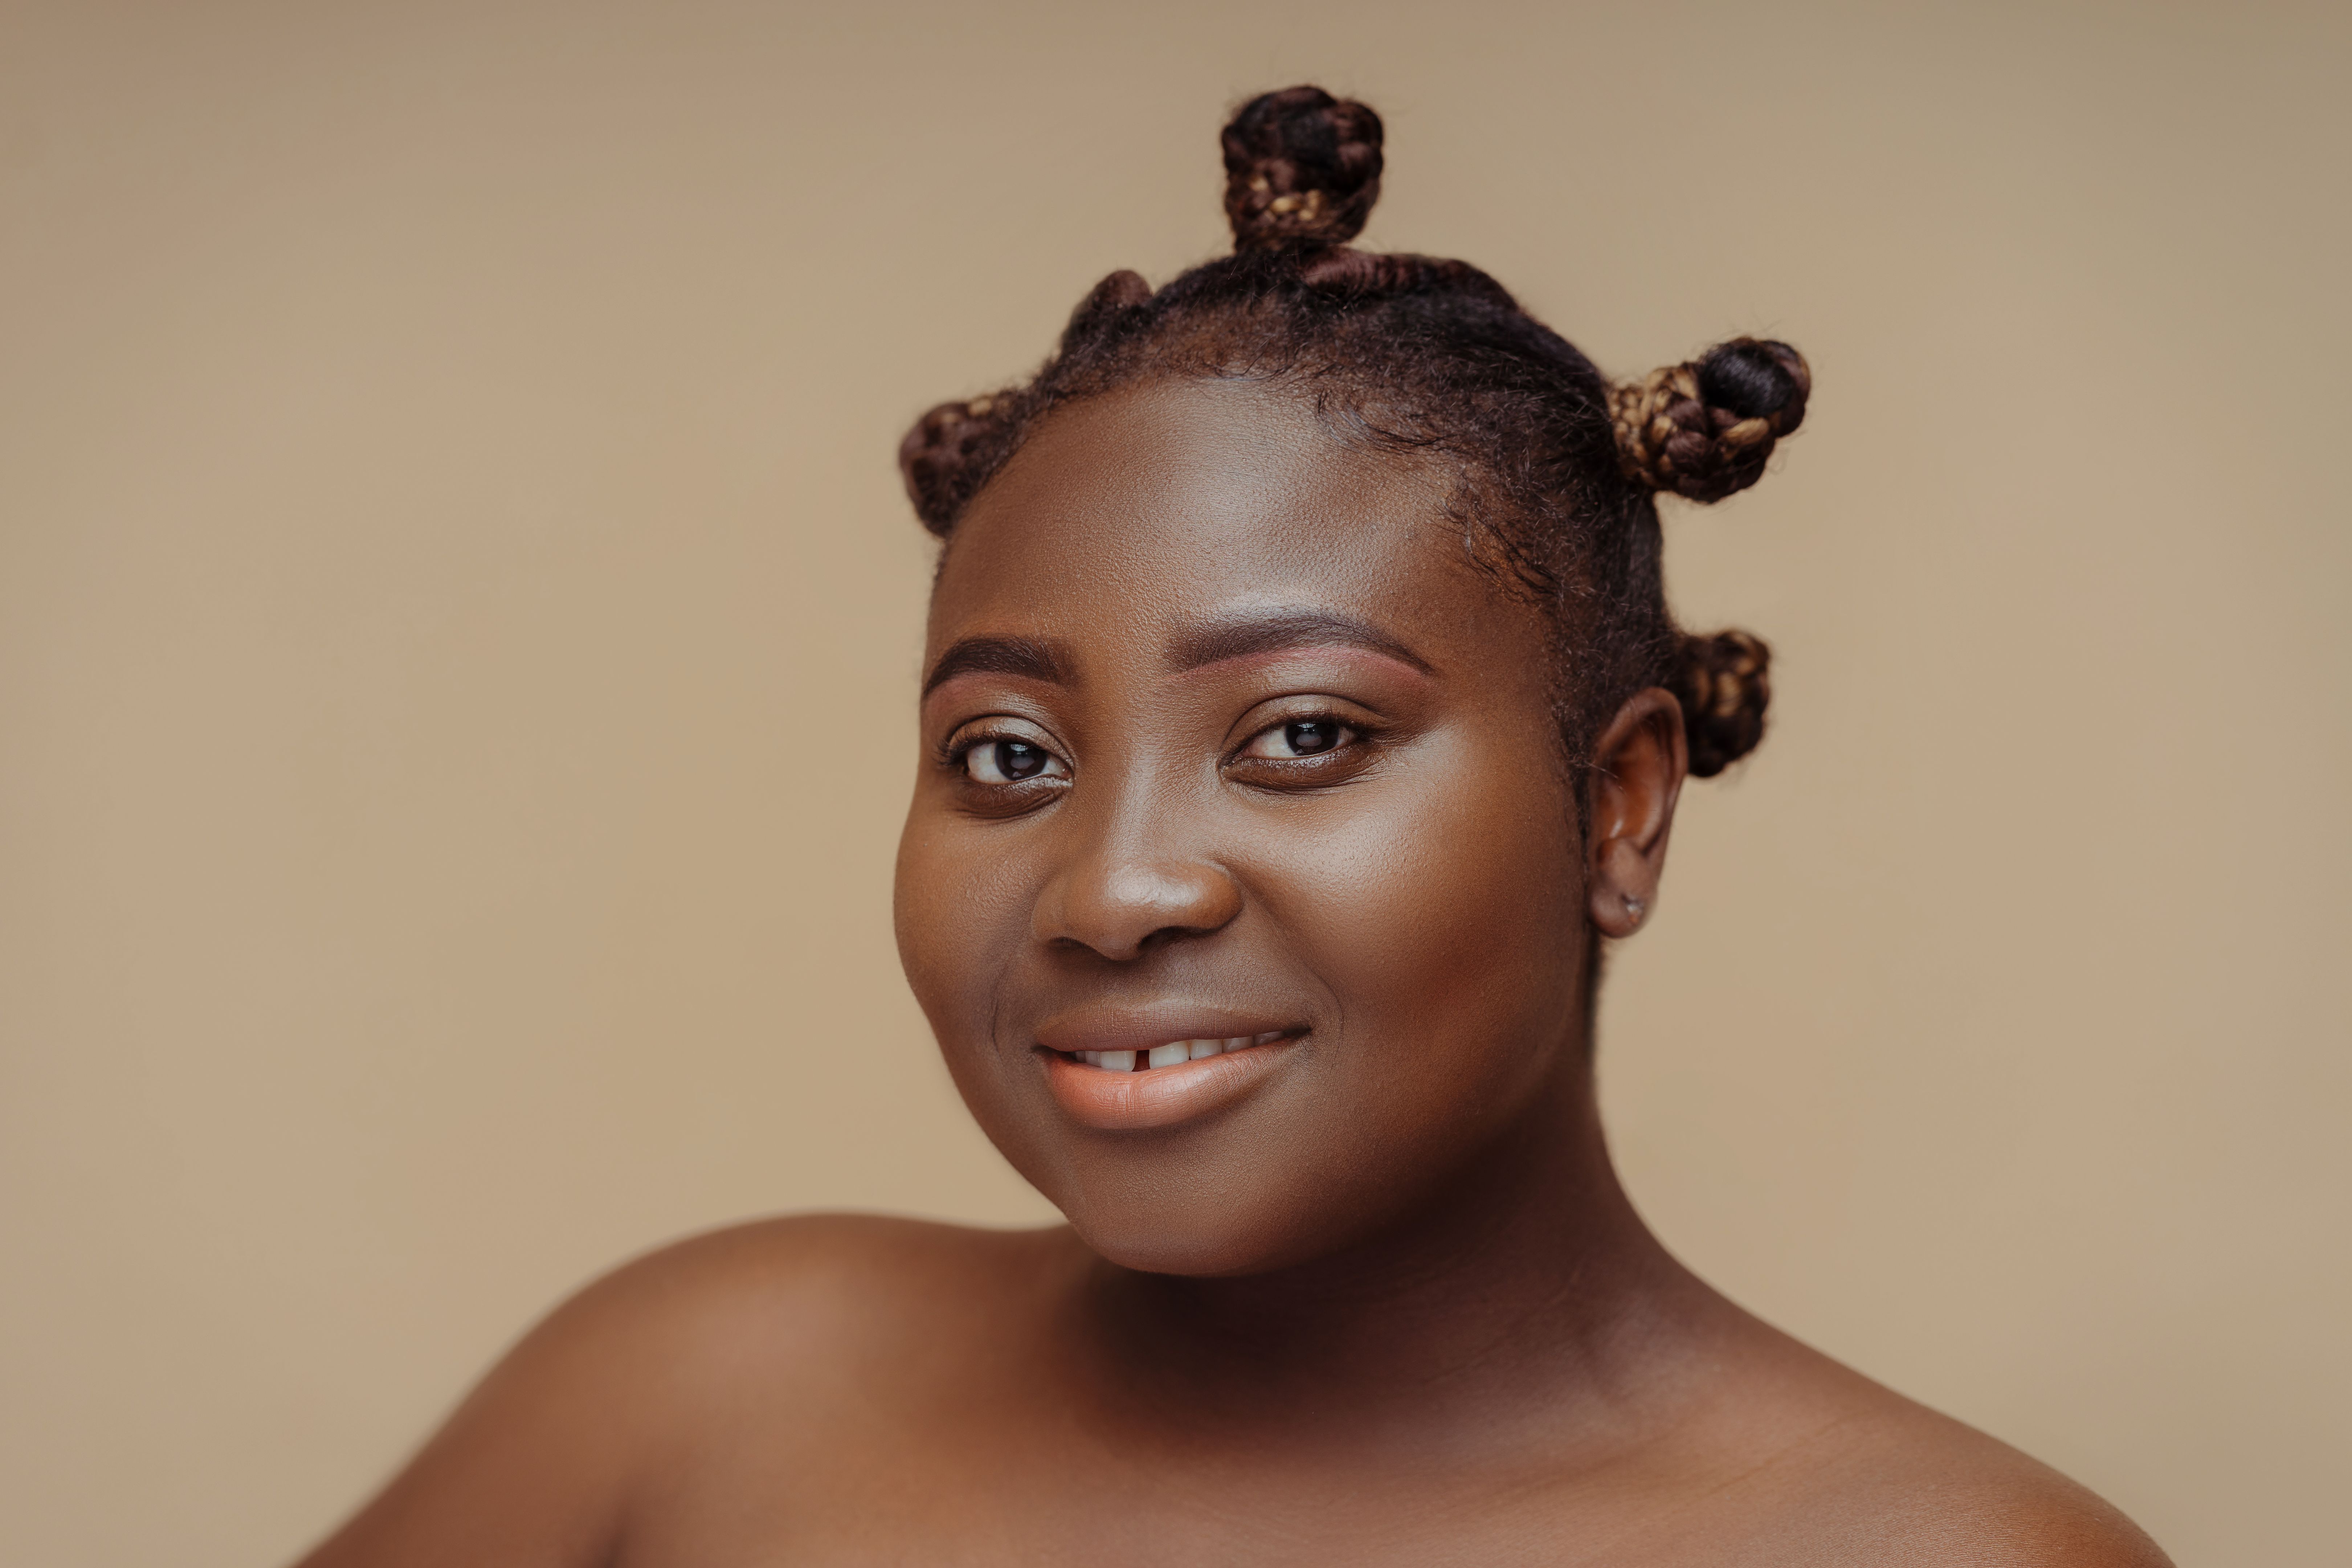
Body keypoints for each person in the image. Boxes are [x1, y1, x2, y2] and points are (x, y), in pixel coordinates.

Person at [297, 86, 2171, 1565]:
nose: (1114, 891)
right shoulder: (698, 1396)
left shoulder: (1933, 1553)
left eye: (1303, 734)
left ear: (1616, 807)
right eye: (1008, 757)